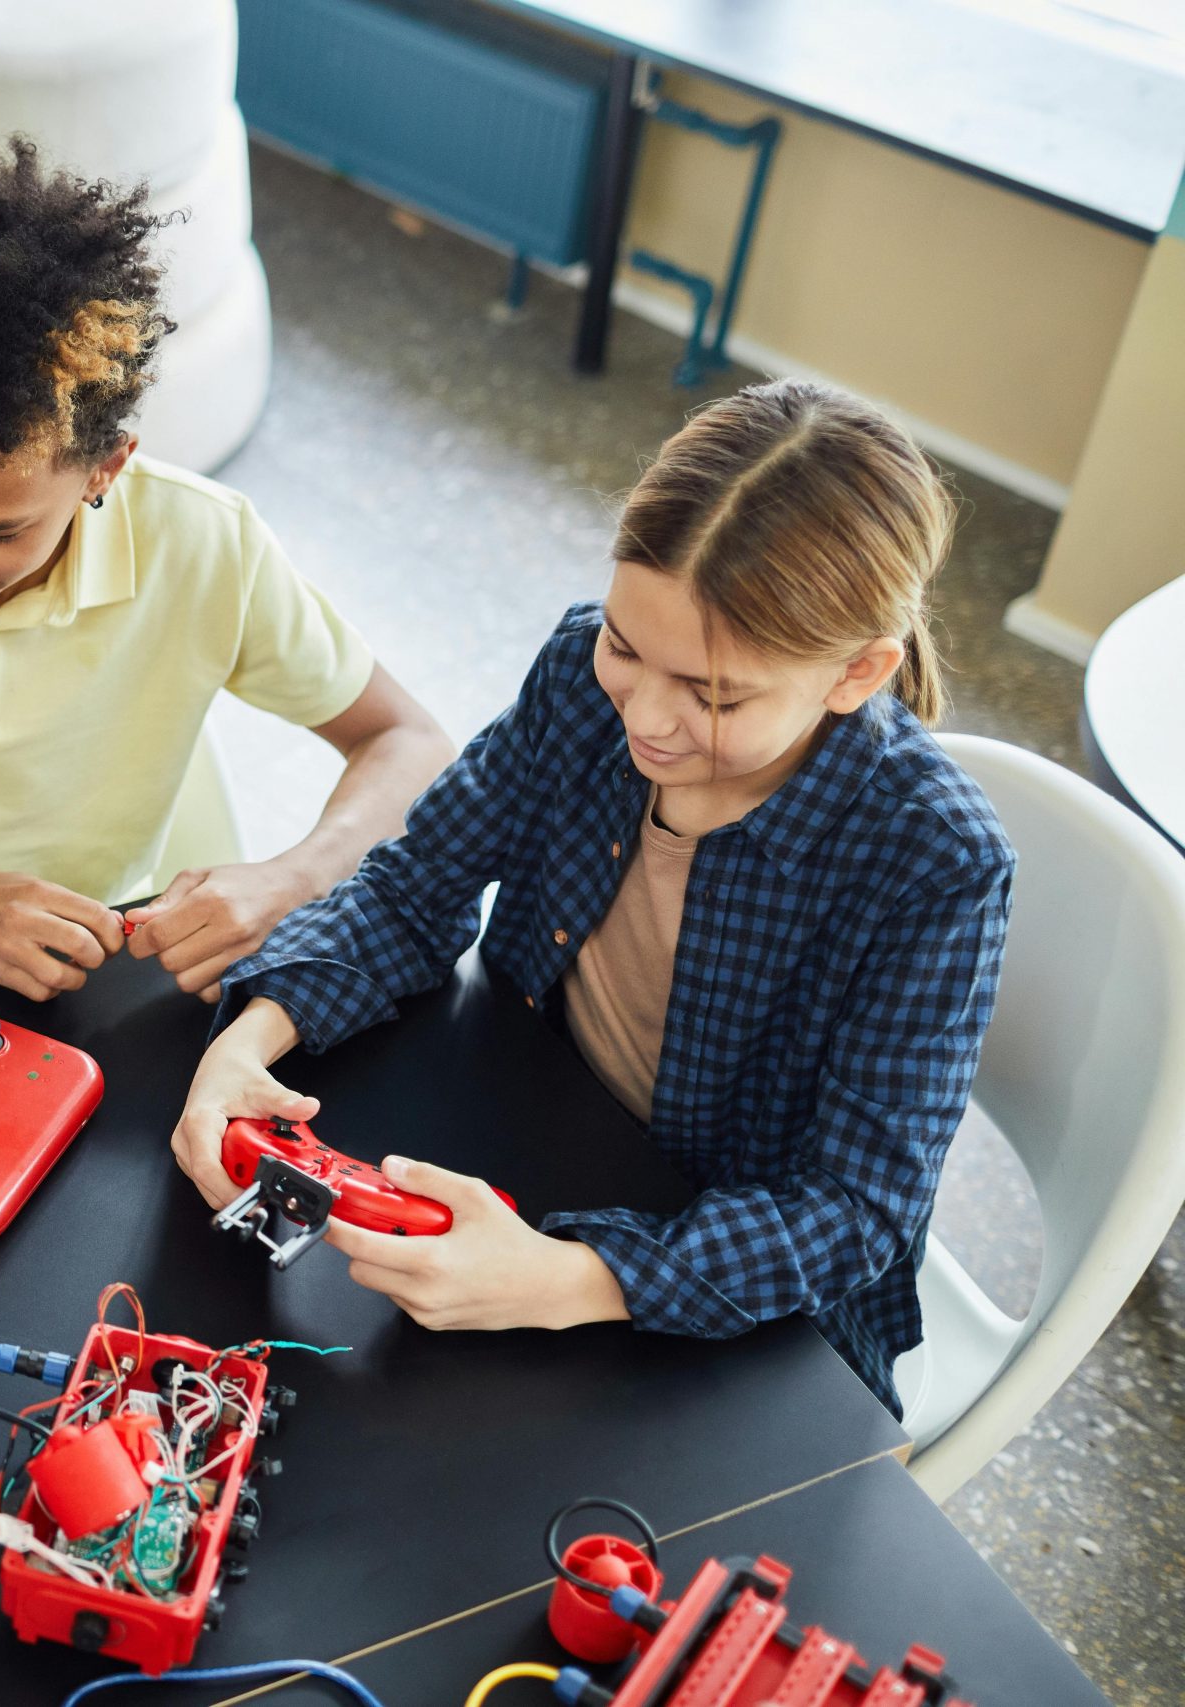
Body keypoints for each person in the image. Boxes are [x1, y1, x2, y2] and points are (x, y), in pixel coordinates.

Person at [170, 380, 1012, 1414]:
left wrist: (572, 1280)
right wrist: (245, 1044)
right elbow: (411, 888)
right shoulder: (578, 672)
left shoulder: (936, 861)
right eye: (626, 645)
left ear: (856, 673)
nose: (645, 721)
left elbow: (852, 1214)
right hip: (527, 1126)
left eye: (712, 695)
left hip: (728, 1287)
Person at [0, 124, 453, 1002]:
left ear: (108, 466)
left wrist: (294, 875)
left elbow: (408, 740)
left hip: (96, 977)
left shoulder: (204, 542)